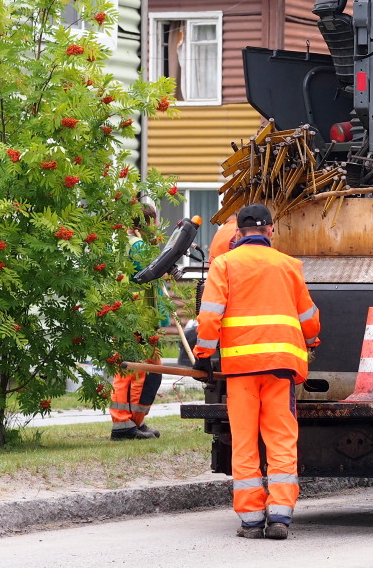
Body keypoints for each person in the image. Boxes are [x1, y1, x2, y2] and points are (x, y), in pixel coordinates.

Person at [194, 203, 321, 541]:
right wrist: (313, 338)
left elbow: (209, 316)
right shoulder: (288, 266)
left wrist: (204, 353)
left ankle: (251, 520)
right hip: (280, 368)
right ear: (270, 231)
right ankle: (280, 515)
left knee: (245, 442)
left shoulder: (224, 265)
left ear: (238, 233)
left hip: (241, 370)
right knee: (281, 440)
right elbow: (308, 315)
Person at [109, 204, 168, 440]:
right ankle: (124, 424)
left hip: (129, 315)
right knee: (136, 371)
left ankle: (133, 421)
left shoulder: (124, 245)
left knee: (144, 370)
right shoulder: (138, 247)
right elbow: (149, 275)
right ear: (147, 224)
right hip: (137, 317)